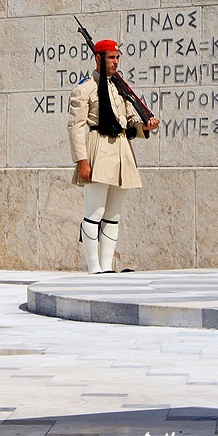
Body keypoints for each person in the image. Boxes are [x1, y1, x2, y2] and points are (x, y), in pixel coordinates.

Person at [68, 39, 159, 274]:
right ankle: (93, 267)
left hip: (122, 151)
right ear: (98, 58)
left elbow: (129, 120)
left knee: (113, 214)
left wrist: (145, 127)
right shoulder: (84, 89)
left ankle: (107, 267)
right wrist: (82, 162)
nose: (116, 62)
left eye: (117, 58)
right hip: (99, 149)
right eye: (111, 57)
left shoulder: (119, 87)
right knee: (94, 212)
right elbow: (76, 127)